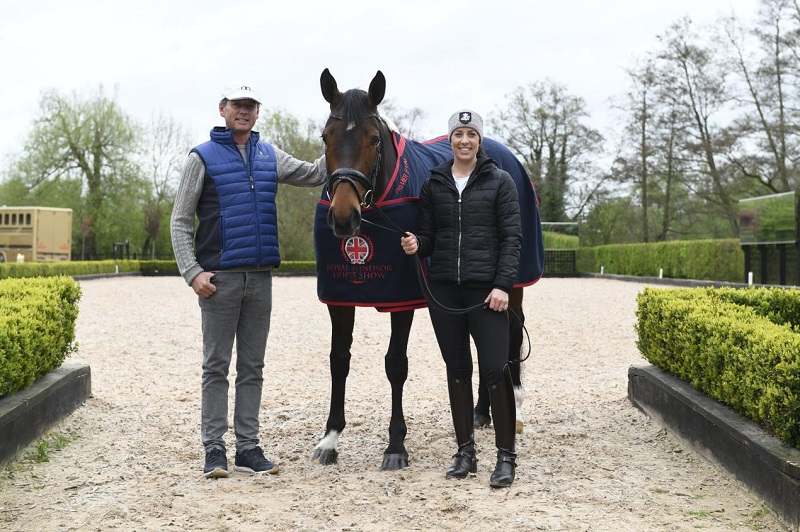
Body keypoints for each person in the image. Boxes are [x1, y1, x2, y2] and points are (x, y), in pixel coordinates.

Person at [171, 83, 327, 479]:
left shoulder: (269, 154)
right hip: (218, 280)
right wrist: (192, 273)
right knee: (216, 366)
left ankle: (248, 447)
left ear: (257, 112)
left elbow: (313, 174)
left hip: (260, 279)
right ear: (222, 108)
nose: (244, 110)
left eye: (250, 105)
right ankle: (214, 450)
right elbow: (180, 221)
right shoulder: (200, 158)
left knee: (253, 366)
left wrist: (343, 135)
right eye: (237, 104)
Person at [400, 109, 521, 488]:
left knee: (495, 371)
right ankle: (465, 452)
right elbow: (430, 237)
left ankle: (505, 458)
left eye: (471, 134)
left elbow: (511, 240)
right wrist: (417, 245)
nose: (464, 140)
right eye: (458, 134)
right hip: (445, 293)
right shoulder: (434, 185)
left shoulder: (500, 182)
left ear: (479, 140)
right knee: (456, 372)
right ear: (450, 140)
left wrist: (502, 285)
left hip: (488, 294)